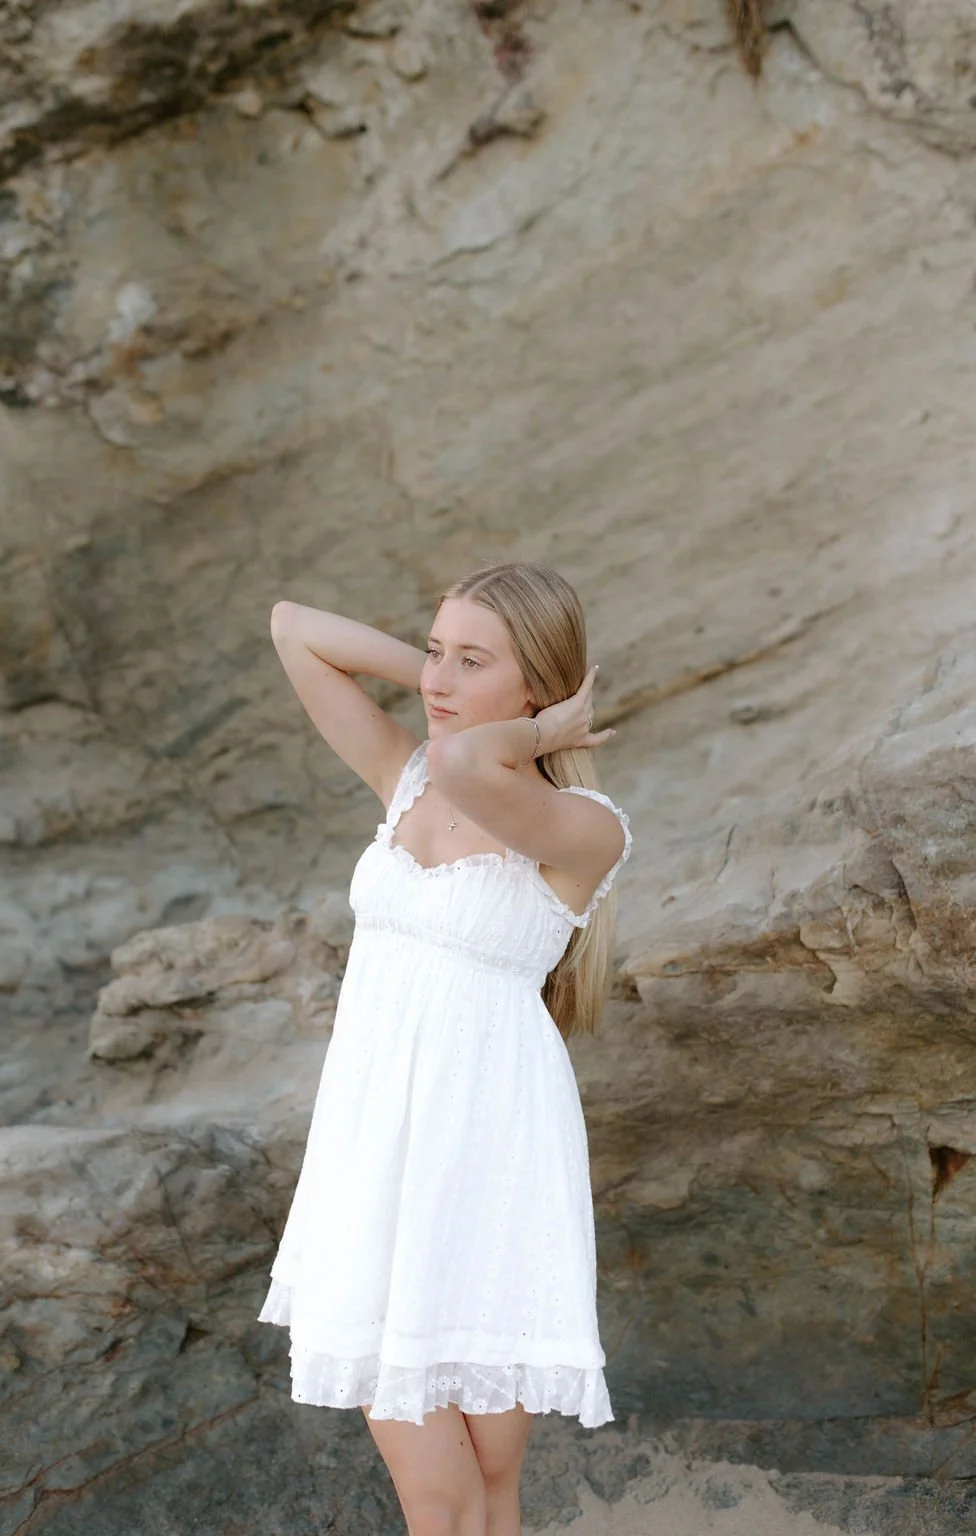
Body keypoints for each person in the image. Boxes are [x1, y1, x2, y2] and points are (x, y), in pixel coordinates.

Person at [257, 561, 632, 1536]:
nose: (435, 682)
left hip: (488, 1163)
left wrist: (539, 734)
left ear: (538, 691)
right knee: (438, 1493)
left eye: (473, 662)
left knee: (486, 1488)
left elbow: (476, 768)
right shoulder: (407, 778)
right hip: (376, 1158)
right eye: (433, 652)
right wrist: (441, 677)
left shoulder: (581, 829)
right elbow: (295, 624)